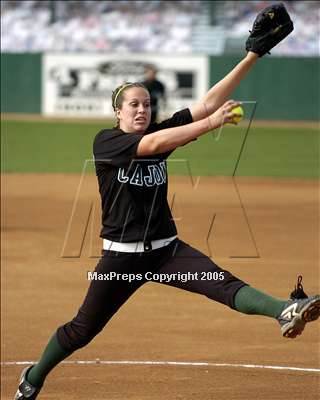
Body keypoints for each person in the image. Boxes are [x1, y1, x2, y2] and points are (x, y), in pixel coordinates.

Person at [14, 34, 319, 400]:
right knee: (82, 330)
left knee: (222, 284)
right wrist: (212, 124)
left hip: (167, 253)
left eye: (146, 104)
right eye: (133, 105)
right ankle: (33, 376)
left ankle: (285, 310)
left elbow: (207, 103)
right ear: (118, 112)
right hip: (121, 261)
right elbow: (157, 145)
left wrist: (253, 55)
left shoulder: (159, 131)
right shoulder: (107, 143)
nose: (142, 110)